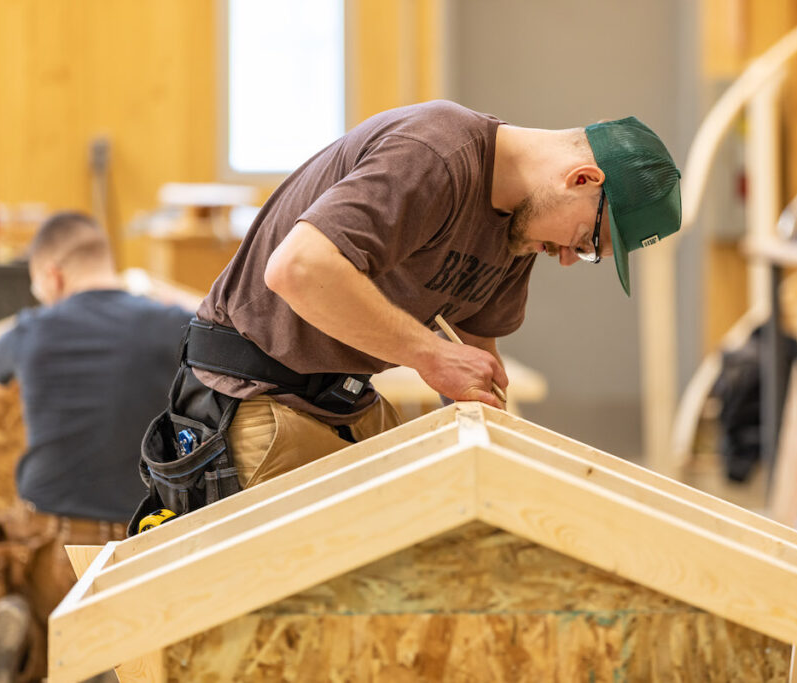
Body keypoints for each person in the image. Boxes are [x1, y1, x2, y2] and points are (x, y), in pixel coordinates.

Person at [133, 100, 681, 527]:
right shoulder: (436, 153)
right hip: (256, 391)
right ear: (583, 180)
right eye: (586, 242)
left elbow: (473, 372)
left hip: (345, 402)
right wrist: (429, 356)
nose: (567, 258)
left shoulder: (519, 231)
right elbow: (297, 269)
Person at [0, 211, 193, 683]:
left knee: (4, 544)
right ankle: (102, 658)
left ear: (53, 274)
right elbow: (229, 328)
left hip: (53, 545)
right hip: (140, 544)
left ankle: (30, 634)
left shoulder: (33, 328)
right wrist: (172, 299)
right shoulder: (168, 322)